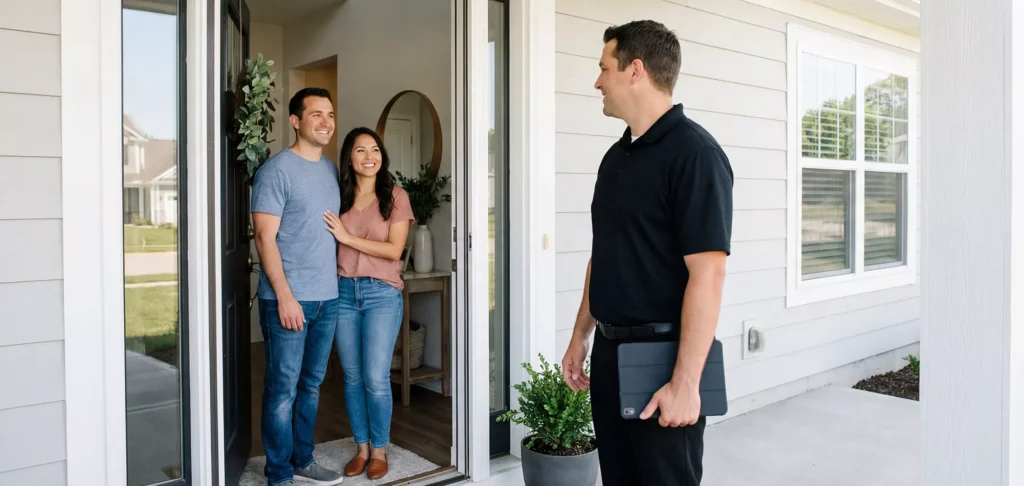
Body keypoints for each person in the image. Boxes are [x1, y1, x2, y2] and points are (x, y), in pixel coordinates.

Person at [560, 20, 733, 486]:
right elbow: (604, 255)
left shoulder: (696, 155)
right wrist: (581, 335)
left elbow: (708, 276)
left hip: (663, 360)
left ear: (635, 70)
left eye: (604, 68)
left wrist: (686, 383)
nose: (597, 81)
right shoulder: (615, 159)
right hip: (611, 356)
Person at [251, 87, 345, 486]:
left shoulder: (328, 169)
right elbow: (263, 237)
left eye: (330, 114)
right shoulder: (276, 171)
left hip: (328, 299)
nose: (326, 122)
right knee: (282, 389)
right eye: (316, 115)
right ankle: (278, 474)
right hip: (288, 301)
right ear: (295, 121)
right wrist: (285, 298)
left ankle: (303, 458)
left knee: (311, 385)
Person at [323, 127, 415, 481]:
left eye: (374, 149)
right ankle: (361, 449)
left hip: (381, 294)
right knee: (351, 377)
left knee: (376, 378)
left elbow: (394, 251)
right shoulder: (337, 196)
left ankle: (380, 450)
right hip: (343, 293)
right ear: (349, 157)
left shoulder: (394, 196)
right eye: (361, 151)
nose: (369, 157)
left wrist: (348, 238)